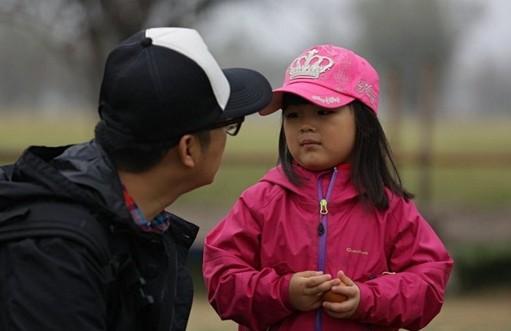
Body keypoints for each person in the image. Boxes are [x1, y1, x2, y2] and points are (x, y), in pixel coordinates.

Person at [0, 27, 272, 331]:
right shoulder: (57, 257)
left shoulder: (132, 223)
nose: (226, 137)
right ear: (188, 149)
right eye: (227, 125)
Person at [202, 44, 453, 331]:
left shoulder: (389, 205)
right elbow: (222, 278)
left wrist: (367, 298)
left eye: (323, 111)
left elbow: (429, 283)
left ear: (363, 121)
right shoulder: (259, 201)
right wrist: (283, 292)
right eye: (293, 115)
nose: (305, 126)